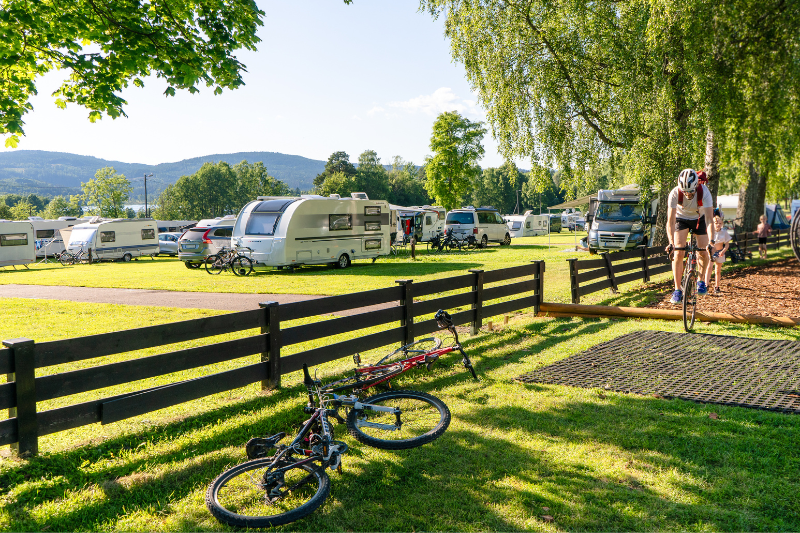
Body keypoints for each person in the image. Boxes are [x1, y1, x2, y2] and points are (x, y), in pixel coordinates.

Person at [665, 168, 715, 304]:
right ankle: (677, 290)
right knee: (678, 252)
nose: (687, 194)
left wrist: (711, 242)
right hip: (681, 218)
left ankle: (701, 281)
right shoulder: (675, 193)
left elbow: (710, 221)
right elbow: (670, 222)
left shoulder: (704, 192)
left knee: (703, 252)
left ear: (697, 186)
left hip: (700, 218)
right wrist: (671, 243)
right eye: (684, 191)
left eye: (691, 191)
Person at [710, 215, 731, 293]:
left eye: (719, 223)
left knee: (718, 270)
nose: (718, 225)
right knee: (709, 269)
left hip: (720, 252)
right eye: (716, 223)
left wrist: (723, 251)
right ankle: (706, 285)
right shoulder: (711, 232)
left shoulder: (724, 232)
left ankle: (717, 286)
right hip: (711, 252)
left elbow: (727, 244)